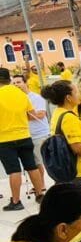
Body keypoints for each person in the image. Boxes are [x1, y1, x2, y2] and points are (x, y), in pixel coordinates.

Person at [0, 68, 45, 210]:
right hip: (25, 136)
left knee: (14, 171)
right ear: (9, 79)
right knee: (32, 166)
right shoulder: (21, 94)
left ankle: (16, 201)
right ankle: (39, 194)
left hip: (5, 139)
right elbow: (31, 115)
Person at [12, 74, 49, 197]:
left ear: (25, 83)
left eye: (18, 82)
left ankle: (41, 184)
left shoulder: (36, 98)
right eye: (14, 83)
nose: (16, 85)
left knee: (38, 162)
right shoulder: (16, 99)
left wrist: (21, 116)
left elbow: (40, 115)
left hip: (39, 134)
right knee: (32, 162)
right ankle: (37, 185)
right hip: (26, 134)